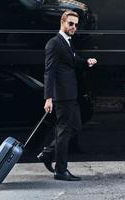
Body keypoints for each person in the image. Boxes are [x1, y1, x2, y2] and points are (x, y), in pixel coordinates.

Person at [37, 10, 97, 181]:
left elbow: (73, 58)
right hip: (62, 96)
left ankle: (48, 154)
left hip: (71, 94)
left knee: (75, 127)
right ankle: (60, 170)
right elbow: (49, 71)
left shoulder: (67, 42)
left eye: (76, 25)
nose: (74, 27)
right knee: (64, 130)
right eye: (71, 24)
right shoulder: (54, 43)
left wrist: (86, 61)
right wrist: (48, 98)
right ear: (62, 22)